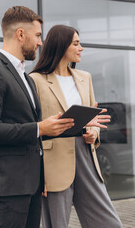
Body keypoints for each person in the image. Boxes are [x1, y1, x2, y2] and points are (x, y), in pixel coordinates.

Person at [0, 6, 75, 228]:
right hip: (8, 186)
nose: (40, 42)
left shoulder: (27, 79)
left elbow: (31, 130)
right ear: (20, 34)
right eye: (37, 35)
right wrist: (40, 128)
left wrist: (68, 126)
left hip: (32, 185)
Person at [30, 25, 123, 228]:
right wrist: (39, 175)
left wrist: (93, 133)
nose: (81, 48)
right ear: (61, 45)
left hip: (85, 157)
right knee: (56, 224)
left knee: (109, 223)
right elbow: (35, 127)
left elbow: (93, 118)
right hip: (53, 163)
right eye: (76, 43)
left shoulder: (84, 78)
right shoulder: (35, 80)